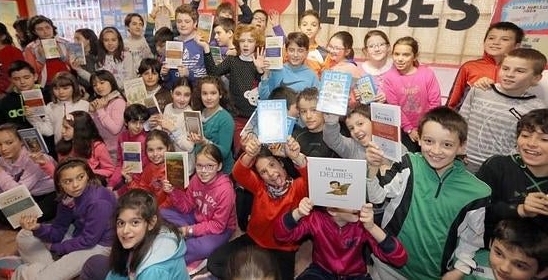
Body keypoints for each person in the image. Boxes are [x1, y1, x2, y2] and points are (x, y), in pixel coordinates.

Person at [366, 106, 491, 279]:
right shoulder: (408, 164)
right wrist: (372, 169)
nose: (436, 151)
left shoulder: (477, 192)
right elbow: (377, 197)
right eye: (429, 141)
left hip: (432, 274)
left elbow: (471, 239)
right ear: (419, 138)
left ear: (462, 147)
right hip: (387, 263)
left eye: (447, 144)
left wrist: (460, 270)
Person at [0, 158, 116, 280]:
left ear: (88, 175)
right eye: (68, 181)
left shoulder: (99, 202)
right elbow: (59, 229)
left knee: (43, 277)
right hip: (78, 233)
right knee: (25, 234)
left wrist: (55, 247)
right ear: (60, 183)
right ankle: (38, 269)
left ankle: (20, 273)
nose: (75, 185)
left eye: (80, 177)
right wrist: (37, 228)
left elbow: (88, 240)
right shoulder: (67, 197)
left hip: (99, 246)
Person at [207, 135, 307, 280]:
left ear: (281, 163)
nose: (271, 174)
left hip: (283, 249)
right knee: (214, 263)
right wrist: (249, 154)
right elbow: (238, 173)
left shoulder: (298, 186)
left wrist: (296, 157)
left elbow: (312, 178)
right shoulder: (260, 187)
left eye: (272, 165)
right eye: (263, 172)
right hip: (253, 241)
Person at [274, 197, 408, 279]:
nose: (358, 205)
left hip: (355, 275)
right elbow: (281, 235)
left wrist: (372, 227)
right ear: (332, 210)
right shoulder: (316, 220)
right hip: (321, 271)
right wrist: (298, 213)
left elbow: (400, 258)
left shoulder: (362, 225)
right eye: (349, 201)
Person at [460, 48, 545, 172]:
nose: (509, 74)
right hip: (465, 161)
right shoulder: (480, 90)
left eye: (520, 71)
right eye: (505, 68)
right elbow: (461, 122)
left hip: (503, 169)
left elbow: (530, 141)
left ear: (536, 78)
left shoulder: (537, 107)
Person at [476, 108, 548, 246]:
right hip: (487, 252)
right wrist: (520, 209)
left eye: (544, 139)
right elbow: (473, 212)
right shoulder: (497, 166)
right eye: (525, 135)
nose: (531, 143)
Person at [81, 189, 189, 280]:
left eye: (135, 222)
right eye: (121, 223)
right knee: (94, 263)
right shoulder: (144, 238)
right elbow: (119, 271)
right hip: (134, 273)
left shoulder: (153, 271)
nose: (125, 230)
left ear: (151, 222)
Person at [161, 144, 237, 274]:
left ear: (219, 166)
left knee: (204, 247)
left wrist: (189, 230)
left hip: (221, 229)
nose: (204, 171)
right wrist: (173, 191)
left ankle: (174, 256)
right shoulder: (196, 179)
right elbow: (186, 207)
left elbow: (218, 226)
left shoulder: (226, 190)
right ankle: (186, 239)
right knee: (162, 212)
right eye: (199, 166)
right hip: (198, 216)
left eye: (210, 166)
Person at [0, 123, 56, 231]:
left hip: (48, 195)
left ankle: (8, 222)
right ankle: (12, 222)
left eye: (9, 143)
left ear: (21, 141)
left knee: (39, 213)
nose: (3, 148)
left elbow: (19, 194)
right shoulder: (2, 160)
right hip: (27, 196)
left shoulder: (34, 157)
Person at [204, 23, 264, 149]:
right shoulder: (232, 61)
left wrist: (261, 70)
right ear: (237, 42)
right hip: (237, 117)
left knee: (257, 152)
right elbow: (214, 72)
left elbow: (265, 89)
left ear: (257, 43)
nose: (246, 44)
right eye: (242, 41)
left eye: (250, 41)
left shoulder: (261, 62)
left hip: (258, 118)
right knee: (240, 151)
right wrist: (206, 49)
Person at [447, 22, 524, 110]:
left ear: (516, 46)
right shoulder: (469, 67)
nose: (496, 42)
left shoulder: (520, 71)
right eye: (491, 38)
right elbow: (453, 101)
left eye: (504, 39)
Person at [383, 36, 441, 152]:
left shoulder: (427, 73)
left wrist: (425, 127)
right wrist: (409, 129)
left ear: (415, 56)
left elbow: (435, 102)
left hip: (427, 127)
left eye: (405, 55)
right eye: (396, 54)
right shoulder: (389, 77)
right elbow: (394, 107)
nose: (400, 59)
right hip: (403, 129)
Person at [37, 110, 117, 185]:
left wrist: (86, 173)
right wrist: (44, 163)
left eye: (67, 128)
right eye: (62, 126)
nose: (62, 131)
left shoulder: (97, 147)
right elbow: (59, 176)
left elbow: (109, 170)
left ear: (80, 130)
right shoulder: (63, 147)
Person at [468, 219, 548, 280]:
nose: (504, 268)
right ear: (491, 243)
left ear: (542, 272)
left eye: (519, 266)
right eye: (499, 254)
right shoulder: (471, 260)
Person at [26, 72, 90, 143]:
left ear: (74, 87)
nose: (61, 92)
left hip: (83, 147)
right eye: (56, 89)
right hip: (61, 149)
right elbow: (48, 131)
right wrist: (32, 117)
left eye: (65, 88)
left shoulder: (85, 105)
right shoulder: (50, 107)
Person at [190, 76, 235, 173]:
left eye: (213, 93)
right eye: (204, 93)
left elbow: (224, 152)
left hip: (221, 172)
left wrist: (204, 141)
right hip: (202, 168)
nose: (208, 98)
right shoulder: (198, 113)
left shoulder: (226, 119)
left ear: (221, 94)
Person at [121, 130, 175, 209]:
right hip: (152, 210)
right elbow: (143, 193)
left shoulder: (174, 168)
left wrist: (156, 212)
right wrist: (130, 180)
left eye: (160, 149)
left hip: (170, 212)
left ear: (168, 148)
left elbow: (173, 200)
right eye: (150, 150)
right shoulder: (149, 168)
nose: (155, 154)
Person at [259, 32, 319, 99]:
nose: (295, 55)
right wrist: (266, 74)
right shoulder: (276, 71)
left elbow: (315, 102)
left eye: (300, 51)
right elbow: (264, 98)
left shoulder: (312, 75)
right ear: (286, 51)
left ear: (307, 53)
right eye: (291, 50)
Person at [161, 4, 207, 89]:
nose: (182, 25)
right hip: (174, 92)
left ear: (195, 23)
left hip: (196, 92)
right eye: (179, 21)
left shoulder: (202, 44)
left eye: (187, 21)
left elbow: (208, 72)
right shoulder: (171, 44)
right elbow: (165, 78)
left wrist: (189, 74)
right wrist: (164, 73)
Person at [154, 77, 196, 171]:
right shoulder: (168, 107)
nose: (182, 99)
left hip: (184, 167)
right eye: (178, 94)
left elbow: (190, 147)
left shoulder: (193, 117)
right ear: (171, 93)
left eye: (186, 95)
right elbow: (164, 132)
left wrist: (173, 129)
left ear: (191, 96)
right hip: (167, 162)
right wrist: (158, 125)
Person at [23, 15, 72, 87]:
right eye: (40, 29)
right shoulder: (31, 48)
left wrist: (63, 57)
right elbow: (31, 71)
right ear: (34, 32)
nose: (45, 31)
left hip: (68, 80)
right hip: (46, 84)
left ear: (52, 28)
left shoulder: (64, 43)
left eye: (47, 27)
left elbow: (74, 65)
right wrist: (41, 59)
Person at [88, 70, 126, 162]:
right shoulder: (99, 102)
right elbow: (94, 130)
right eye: (94, 85)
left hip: (119, 151)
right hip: (103, 150)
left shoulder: (118, 102)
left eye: (102, 83)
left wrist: (100, 110)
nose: (98, 87)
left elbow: (115, 129)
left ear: (111, 82)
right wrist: (92, 113)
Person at [293, 87, 339, 158]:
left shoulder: (337, 135)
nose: (308, 116)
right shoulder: (296, 138)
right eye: (303, 111)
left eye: (314, 110)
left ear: (324, 110)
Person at [113, 103, 150, 191]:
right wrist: (112, 182)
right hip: (126, 177)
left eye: (141, 122)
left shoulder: (147, 139)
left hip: (143, 182)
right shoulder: (122, 137)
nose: (138, 126)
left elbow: (149, 167)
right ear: (126, 122)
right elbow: (120, 163)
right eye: (134, 122)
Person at [359, 29, 393, 103]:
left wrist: (389, 96)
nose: (377, 49)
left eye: (381, 45)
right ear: (365, 51)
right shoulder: (359, 71)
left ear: (388, 47)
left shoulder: (397, 67)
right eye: (371, 46)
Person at [298, 9, 327, 77]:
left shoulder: (324, 54)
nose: (309, 28)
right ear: (300, 27)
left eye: (314, 25)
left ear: (319, 29)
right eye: (305, 25)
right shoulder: (291, 49)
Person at [69, 28, 99, 93]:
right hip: (81, 89)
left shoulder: (96, 57)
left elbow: (95, 77)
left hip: (94, 90)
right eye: (74, 39)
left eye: (78, 39)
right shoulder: (75, 56)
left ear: (88, 40)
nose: (75, 42)